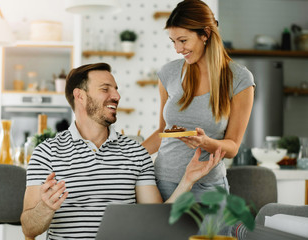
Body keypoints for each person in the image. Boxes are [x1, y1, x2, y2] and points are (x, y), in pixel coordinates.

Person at [20, 62, 225, 240]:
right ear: (79, 96)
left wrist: (187, 180)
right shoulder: (46, 153)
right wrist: (45, 207)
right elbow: (29, 229)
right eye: (105, 89)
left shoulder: (136, 153)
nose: (116, 95)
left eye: (116, 89)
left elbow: (155, 218)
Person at [142, 0, 255, 202]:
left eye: (183, 41)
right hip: (163, 182)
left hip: (208, 188)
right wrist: (127, 156)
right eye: (173, 41)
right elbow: (163, 133)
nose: (177, 49)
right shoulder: (169, 73)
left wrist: (206, 143)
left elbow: (232, 147)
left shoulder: (239, 79)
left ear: (205, 34)